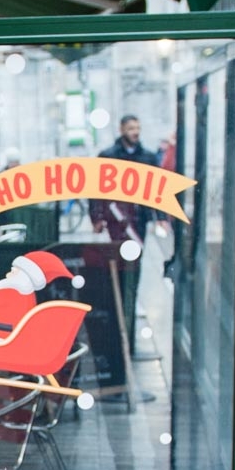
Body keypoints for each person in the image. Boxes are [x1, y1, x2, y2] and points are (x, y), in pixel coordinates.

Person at [88, 114, 165, 354]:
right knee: (116, 270)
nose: (135, 131)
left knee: (133, 270)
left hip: (137, 224)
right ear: (122, 129)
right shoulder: (108, 156)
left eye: (138, 127)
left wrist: (160, 217)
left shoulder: (148, 158)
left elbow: (157, 188)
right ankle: (117, 322)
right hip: (115, 223)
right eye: (131, 128)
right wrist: (97, 217)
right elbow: (95, 189)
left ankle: (127, 320)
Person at [0, 250, 83, 342]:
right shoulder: (25, 294)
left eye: (13, 272)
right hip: (3, 336)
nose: (8, 274)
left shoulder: (14, 293)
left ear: (24, 276)